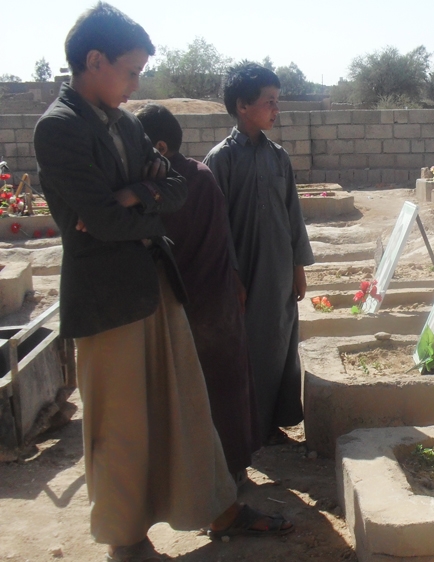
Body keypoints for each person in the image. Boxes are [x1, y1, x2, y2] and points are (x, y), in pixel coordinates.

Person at [33, 5, 290, 559]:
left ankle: (217, 508)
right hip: (108, 301)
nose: (135, 84)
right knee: (123, 426)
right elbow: (99, 223)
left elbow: (174, 189)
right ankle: (128, 539)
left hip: (158, 286)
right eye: (129, 71)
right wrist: (130, 201)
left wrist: (130, 196)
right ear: (94, 60)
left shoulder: (124, 122)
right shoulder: (59, 128)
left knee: (187, 405)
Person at [135, 103, 261, 482]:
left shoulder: (162, 188)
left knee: (201, 391)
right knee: (227, 386)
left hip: (189, 303)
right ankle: (235, 469)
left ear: (158, 147)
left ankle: (211, 477)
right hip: (219, 299)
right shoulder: (202, 174)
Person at [204, 62, 314, 444]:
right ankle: (247, 426)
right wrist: (230, 277)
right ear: (242, 106)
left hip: (280, 272)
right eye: (269, 102)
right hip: (243, 275)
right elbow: (215, 228)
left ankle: (273, 422)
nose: (276, 109)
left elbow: (293, 215)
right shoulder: (220, 160)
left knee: (281, 345)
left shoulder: (278, 157)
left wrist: (298, 266)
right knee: (247, 350)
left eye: (276, 101)